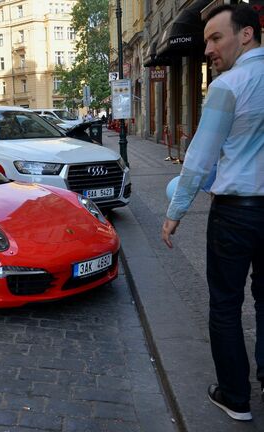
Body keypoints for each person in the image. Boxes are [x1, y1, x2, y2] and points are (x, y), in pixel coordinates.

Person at [161, 4, 264, 422]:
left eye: (216, 38)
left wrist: (174, 212)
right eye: (205, 40)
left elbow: (199, 158)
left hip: (237, 214)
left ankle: (236, 396)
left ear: (246, 35)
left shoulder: (230, 86)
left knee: (224, 304)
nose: (208, 49)